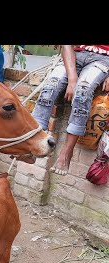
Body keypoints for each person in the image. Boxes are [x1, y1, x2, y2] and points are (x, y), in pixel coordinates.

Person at [32, 45, 109, 175]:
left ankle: (67, 151)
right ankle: (32, 142)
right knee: (49, 88)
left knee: (82, 92)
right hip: (73, 55)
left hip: (102, 60)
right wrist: (72, 79)